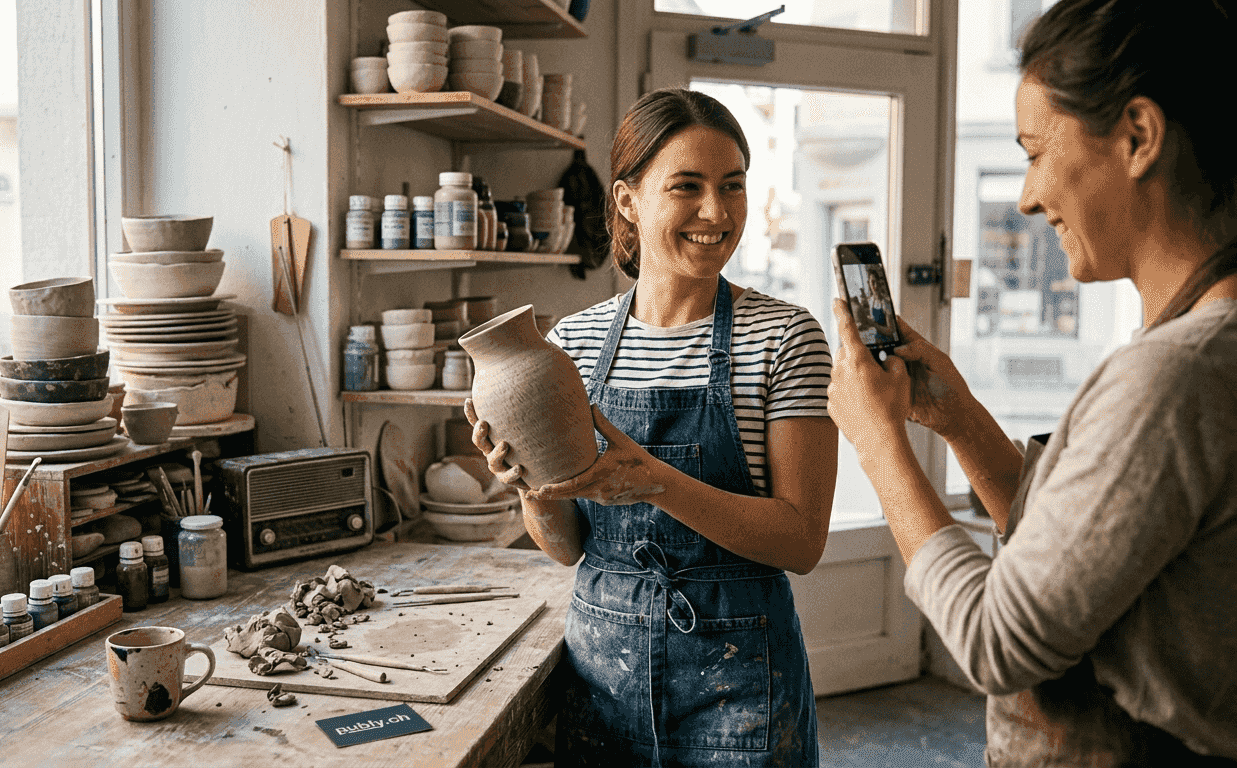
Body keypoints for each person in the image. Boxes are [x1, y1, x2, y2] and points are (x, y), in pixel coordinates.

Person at [826, 1, 1237, 765]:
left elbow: (998, 641)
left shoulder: (1175, 374)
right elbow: (1083, 553)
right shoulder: (1204, 347)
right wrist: (961, 424)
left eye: (1035, 152)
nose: (1025, 196)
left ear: (1138, 137)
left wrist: (877, 442)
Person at [465, 88, 838, 766]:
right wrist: (528, 485)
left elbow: (801, 540)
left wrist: (656, 483)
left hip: (741, 687)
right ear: (628, 200)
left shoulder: (785, 339)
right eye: (687, 187)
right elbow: (568, 547)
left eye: (733, 187)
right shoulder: (570, 347)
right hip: (604, 680)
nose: (716, 213)